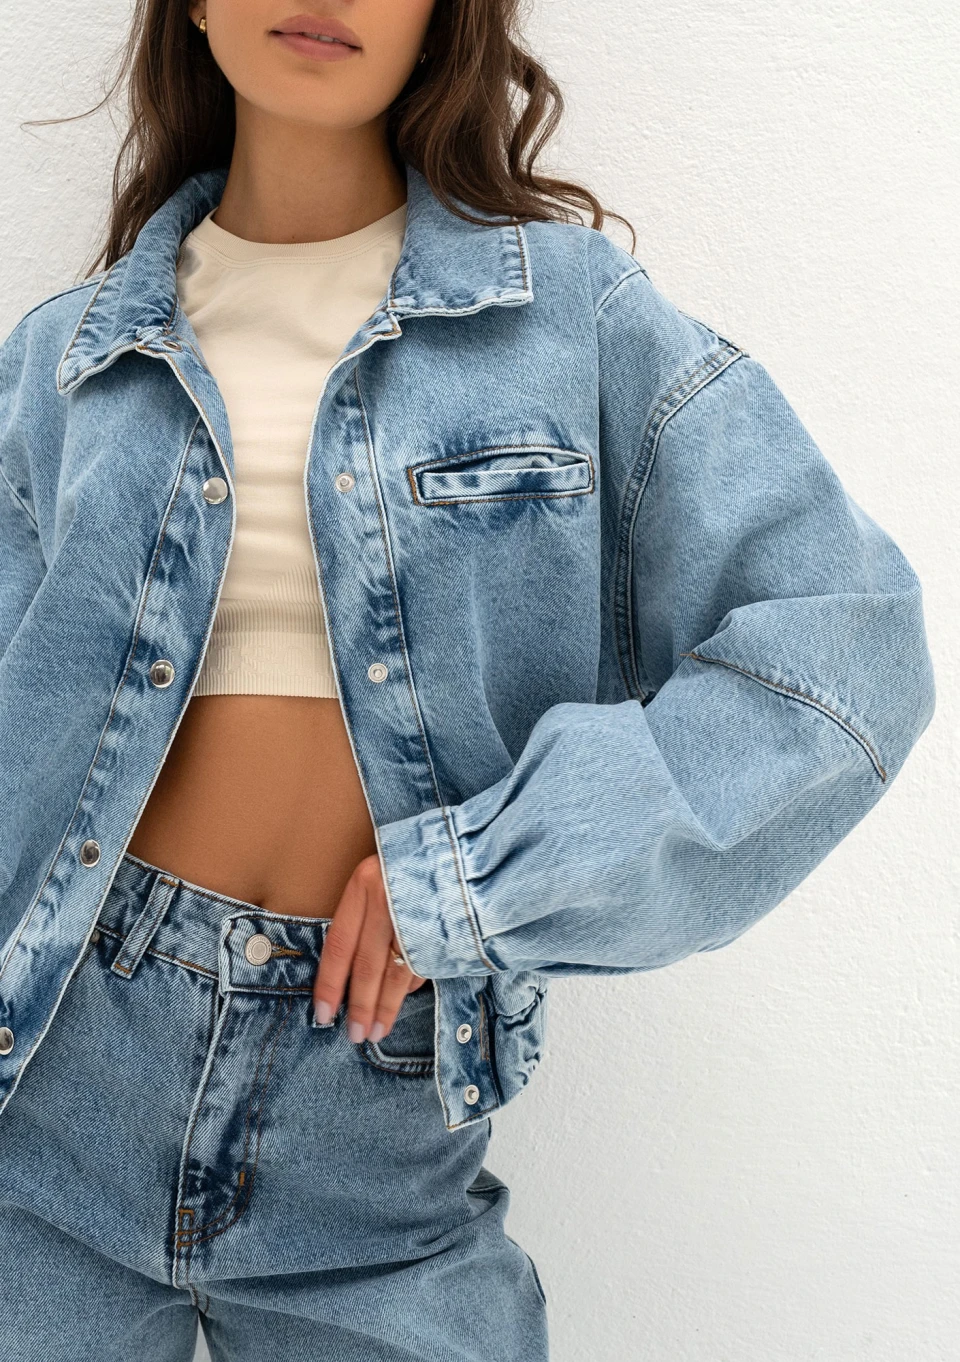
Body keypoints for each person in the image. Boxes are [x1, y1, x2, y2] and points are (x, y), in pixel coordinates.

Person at [0, 1, 936, 1359]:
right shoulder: (60, 360)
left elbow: (847, 646)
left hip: (376, 1129)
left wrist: (479, 879)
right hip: (51, 1095)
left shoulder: (569, 320)